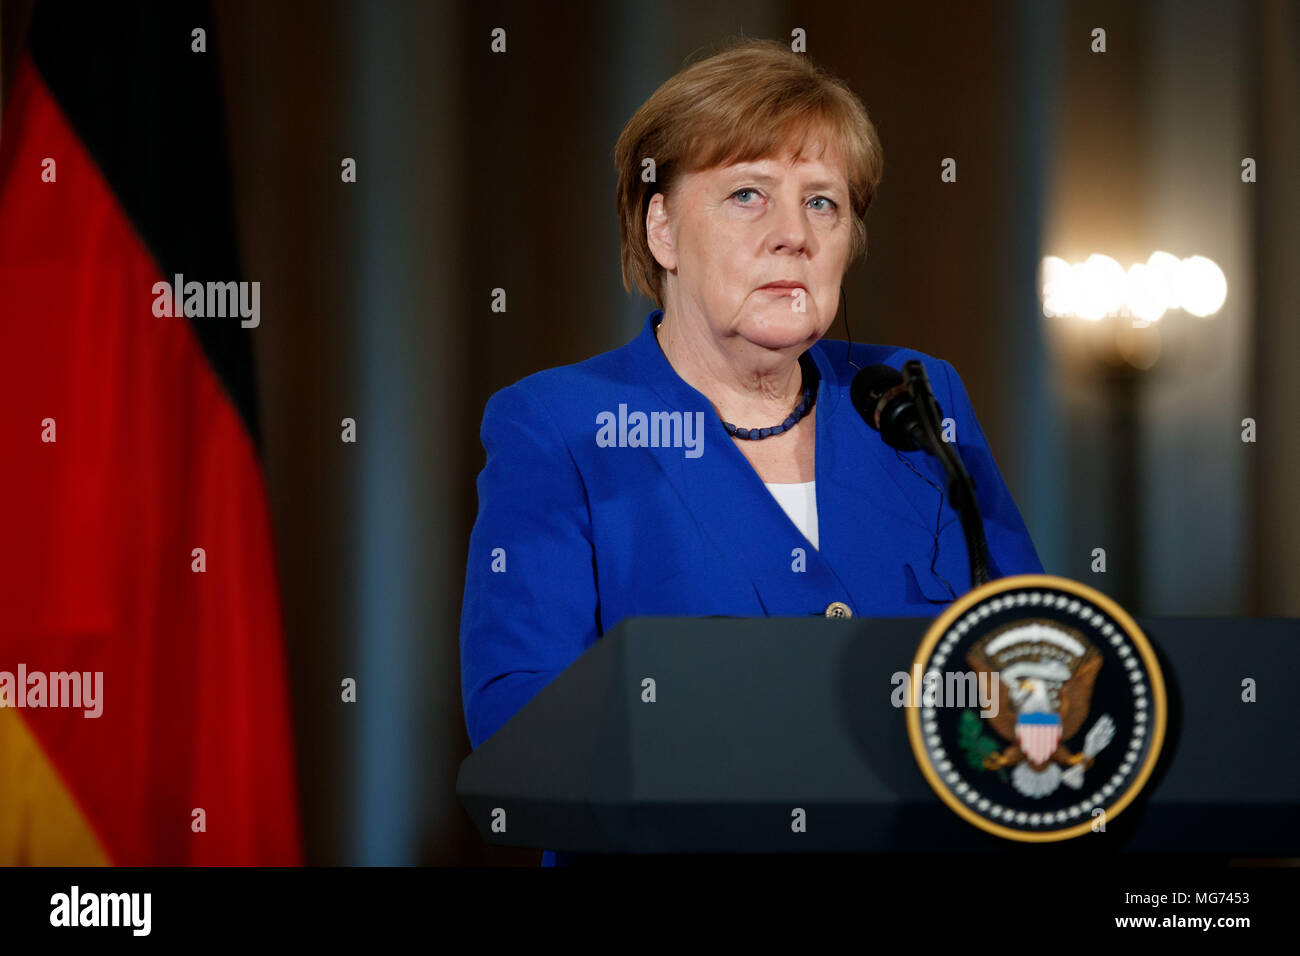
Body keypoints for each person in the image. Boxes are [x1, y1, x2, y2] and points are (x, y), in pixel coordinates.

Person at [459, 38, 1043, 866]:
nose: (792, 235)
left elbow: (1035, 663)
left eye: (823, 204)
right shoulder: (560, 425)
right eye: (746, 195)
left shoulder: (915, 403)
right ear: (661, 226)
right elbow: (519, 728)